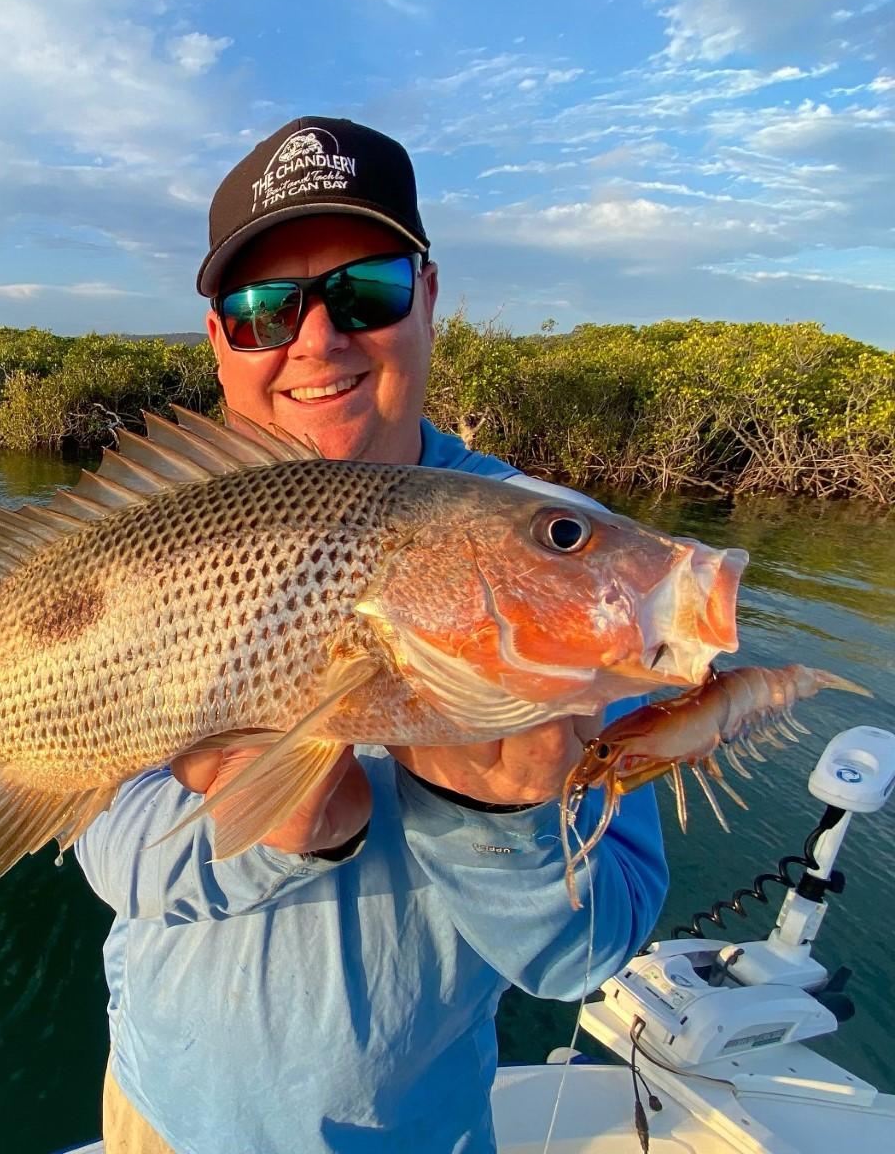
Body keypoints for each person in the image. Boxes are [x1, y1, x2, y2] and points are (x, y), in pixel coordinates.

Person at [75, 116, 667, 1153]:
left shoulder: (551, 559)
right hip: (157, 1117)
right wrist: (272, 833)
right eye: (264, 310)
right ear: (219, 340)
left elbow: (589, 952)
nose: (317, 339)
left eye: (367, 290)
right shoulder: (144, 546)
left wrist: (496, 828)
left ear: (428, 297)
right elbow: (105, 848)